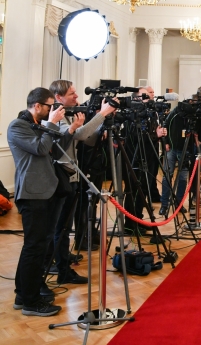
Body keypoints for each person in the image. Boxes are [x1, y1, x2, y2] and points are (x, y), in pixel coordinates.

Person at [47, 79, 117, 285]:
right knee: (61, 226)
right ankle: (61, 267)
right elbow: (77, 135)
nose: (77, 97)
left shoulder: (67, 115)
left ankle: (62, 258)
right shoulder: (56, 118)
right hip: (62, 176)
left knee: (64, 226)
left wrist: (101, 126)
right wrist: (101, 114)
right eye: (72, 94)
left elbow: (84, 137)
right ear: (58, 97)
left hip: (71, 175)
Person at [8, 87, 66, 316]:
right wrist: (51, 124)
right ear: (37, 106)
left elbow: (55, 152)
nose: (52, 110)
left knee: (37, 246)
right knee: (34, 247)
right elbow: (41, 149)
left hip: (46, 191)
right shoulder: (17, 126)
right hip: (32, 194)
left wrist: (65, 128)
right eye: (50, 106)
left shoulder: (38, 125)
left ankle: (23, 294)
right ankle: (31, 302)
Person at [123, 87, 167, 235]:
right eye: (146, 97)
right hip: (135, 159)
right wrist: (155, 134)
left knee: (143, 193)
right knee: (134, 192)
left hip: (148, 158)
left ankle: (139, 220)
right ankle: (130, 224)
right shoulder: (131, 115)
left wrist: (158, 134)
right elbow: (135, 138)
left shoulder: (149, 114)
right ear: (136, 99)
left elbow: (149, 136)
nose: (150, 100)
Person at [159, 105, 189, 215]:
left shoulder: (192, 115)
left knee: (182, 178)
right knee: (167, 176)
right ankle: (164, 205)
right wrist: (166, 142)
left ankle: (179, 204)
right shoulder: (175, 112)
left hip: (185, 150)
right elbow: (165, 125)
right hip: (171, 148)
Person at [145, 85, 161, 203]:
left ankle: (153, 196)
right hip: (145, 147)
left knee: (154, 172)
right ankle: (147, 198)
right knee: (147, 175)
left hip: (154, 145)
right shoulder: (141, 111)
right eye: (150, 92)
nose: (153, 94)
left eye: (153, 92)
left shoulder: (154, 110)